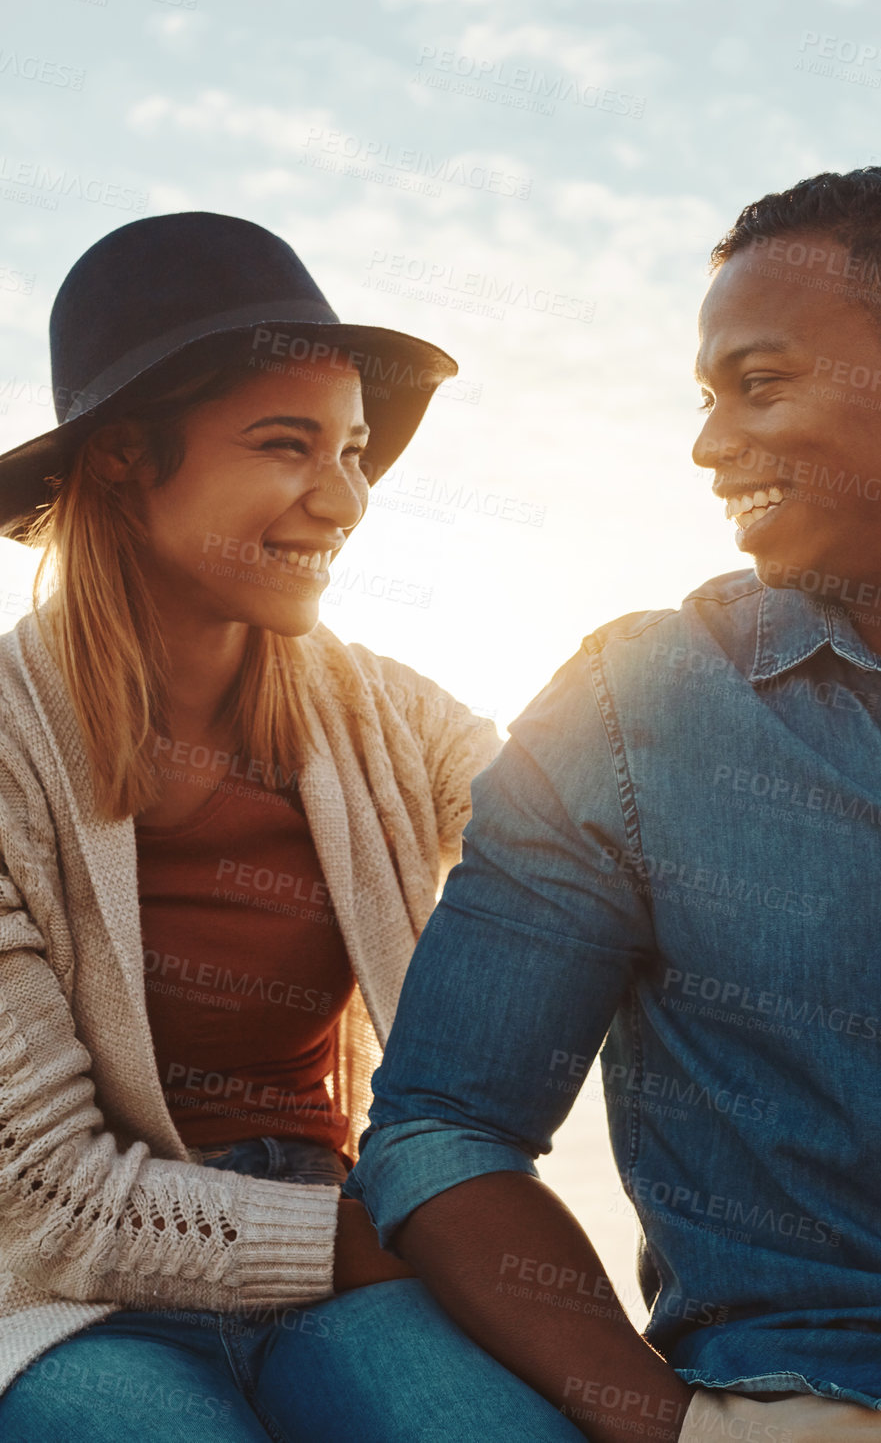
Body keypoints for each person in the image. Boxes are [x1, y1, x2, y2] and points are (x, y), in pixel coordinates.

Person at [345, 165, 881, 1442]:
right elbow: (442, 1128)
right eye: (707, 398)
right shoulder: (633, 712)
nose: (708, 445)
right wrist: (664, 1426)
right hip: (810, 1412)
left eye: (757, 384)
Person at [0, 212, 588, 1440]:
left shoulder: (385, 715)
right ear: (121, 459)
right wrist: (396, 1234)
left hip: (349, 1252)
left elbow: (598, 819)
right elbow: (42, 1193)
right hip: (69, 1297)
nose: (344, 498)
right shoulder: (10, 746)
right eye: (287, 445)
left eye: (355, 450)